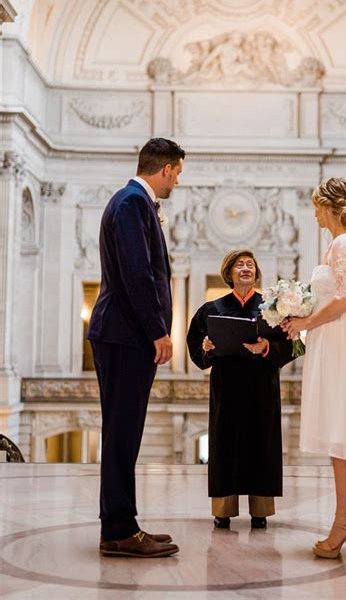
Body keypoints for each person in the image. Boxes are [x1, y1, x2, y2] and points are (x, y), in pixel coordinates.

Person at [88, 137, 185, 558]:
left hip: (124, 335)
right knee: (122, 432)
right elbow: (137, 274)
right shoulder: (131, 204)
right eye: (177, 174)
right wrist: (158, 331)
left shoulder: (133, 203)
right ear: (164, 169)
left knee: (123, 431)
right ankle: (120, 530)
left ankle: (120, 524)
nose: (177, 183)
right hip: (126, 335)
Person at [282, 177, 346, 559]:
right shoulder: (335, 245)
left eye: (316, 205)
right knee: (340, 431)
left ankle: (343, 520)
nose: (314, 213)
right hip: (331, 339)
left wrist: (304, 323)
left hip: (340, 341)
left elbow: (343, 300)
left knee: (343, 431)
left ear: (328, 205)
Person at [186, 249, 295, 529]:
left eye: (250, 265)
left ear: (256, 273)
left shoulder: (273, 307)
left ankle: (260, 510)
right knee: (225, 445)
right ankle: (223, 510)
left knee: (263, 444)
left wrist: (267, 346)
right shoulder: (212, 309)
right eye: (239, 265)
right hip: (227, 387)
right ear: (229, 274)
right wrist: (206, 348)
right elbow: (196, 345)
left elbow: (297, 343)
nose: (245, 268)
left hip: (263, 387)